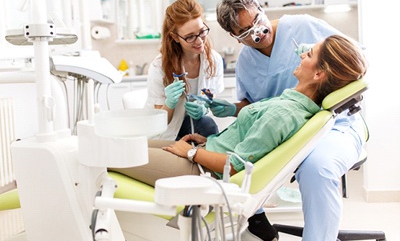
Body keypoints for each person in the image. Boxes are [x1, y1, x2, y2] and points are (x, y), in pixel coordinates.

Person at [110, 35, 367, 241]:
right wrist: (207, 141)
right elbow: (246, 141)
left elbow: (235, 165)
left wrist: (191, 153)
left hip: (201, 170)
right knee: (116, 145)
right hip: (204, 152)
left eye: (309, 54)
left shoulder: (283, 113)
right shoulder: (291, 101)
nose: (302, 53)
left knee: (106, 154)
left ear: (320, 74)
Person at [214, 0, 368, 241]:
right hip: (286, 134)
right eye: (246, 32)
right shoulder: (246, 63)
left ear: (262, 9)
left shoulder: (303, 27)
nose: (259, 32)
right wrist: (234, 108)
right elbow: (255, 107)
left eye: (258, 21)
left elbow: (357, 60)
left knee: (316, 168)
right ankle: (257, 220)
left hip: (335, 124)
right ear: (235, 37)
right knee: (237, 159)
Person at [145, 0, 224, 140]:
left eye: (202, 31)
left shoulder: (214, 60)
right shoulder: (159, 67)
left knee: (207, 124)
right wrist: (169, 103)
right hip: (167, 133)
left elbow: (211, 93)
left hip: (197, 127)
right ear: (175, 37)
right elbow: (159, 123)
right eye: (190, 37)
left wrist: (205, 106)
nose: (199, 41)